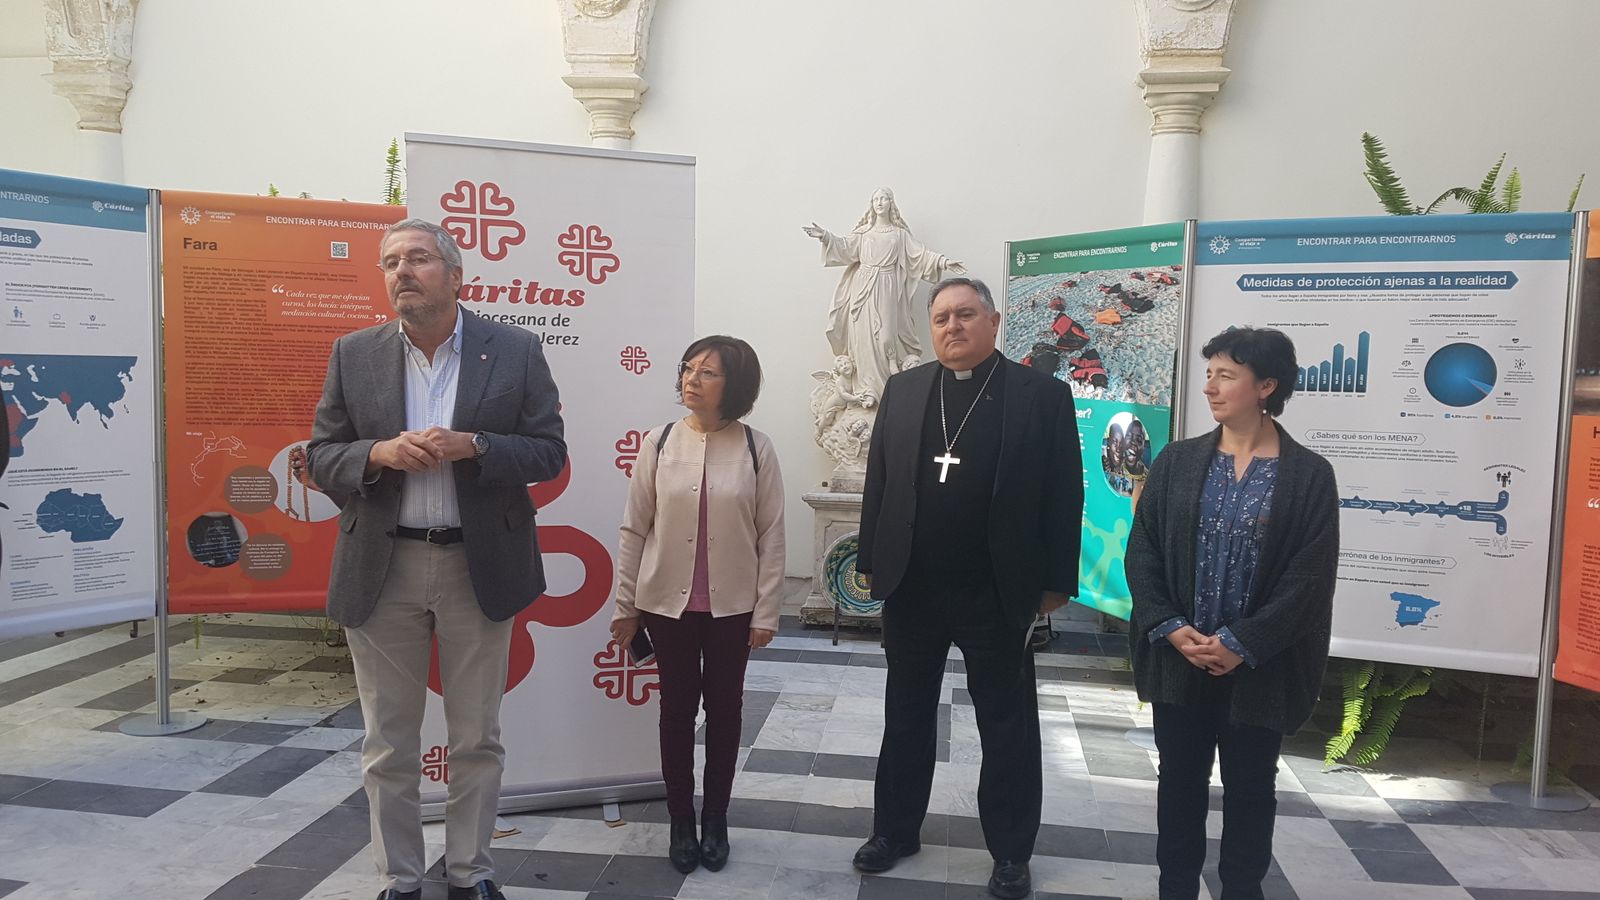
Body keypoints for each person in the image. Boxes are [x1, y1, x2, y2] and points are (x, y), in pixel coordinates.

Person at [307, 218, 566, 900]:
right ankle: (400, 879)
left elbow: (549, 452)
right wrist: (378, 453)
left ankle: (469, 873)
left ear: (454, 276)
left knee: (475, 736)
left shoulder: (514, 350)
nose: (402, 271)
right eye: (391, 261)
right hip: (382, 566)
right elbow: (322, 457)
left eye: (418, 258)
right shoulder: (353, 353)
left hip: (476, 566)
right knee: (388, 742)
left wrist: (475, 446)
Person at [852, 277, 1084, 900]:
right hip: (914, 586)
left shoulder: (1042, 394)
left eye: (965, 314)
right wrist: (870, 556)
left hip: (997, 590)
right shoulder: (904, 390)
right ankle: (894, 831)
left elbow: (1065, 492)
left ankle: (1010, 852)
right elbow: (880, 478)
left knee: (1007, 726)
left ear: (994, 320)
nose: (952, 326)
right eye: (941, 318)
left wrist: (1057, 580)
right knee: (905, 715)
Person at [1125, 327, 1339, 900]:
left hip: (1259, 668)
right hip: (1181, 660)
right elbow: (1142, 550)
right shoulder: (1177, 460)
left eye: (1226, 375)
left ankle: (1242, 891)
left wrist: (1242, 643)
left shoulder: (1309, 475)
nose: (1210, 387)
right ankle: (1175, 890)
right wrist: (1171, 628)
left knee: (1250, 792)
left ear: (1266, 386)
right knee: (1178, 787)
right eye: (1210, 374)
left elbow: (1309, 578)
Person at [610, 336, 785, 875]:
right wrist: (625, 604)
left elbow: (772, 535)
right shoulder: (659, 442)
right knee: (677, 711)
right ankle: (681, 820)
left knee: (726, 712)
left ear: (736, 384)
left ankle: (716, 818)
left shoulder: (756, 448)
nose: (692, 379)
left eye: (708, 372)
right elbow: (634, 528)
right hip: (666, 606)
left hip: (733, 608)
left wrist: (767, 612)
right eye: (688, 368)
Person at [802, 188, 967, 405]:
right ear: (872, 204)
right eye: (876, 199)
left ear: (891, 203)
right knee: (862, 338)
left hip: (887, 287)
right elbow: (844, 247)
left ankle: (888, 390)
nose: (880, 202)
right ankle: (865, 390)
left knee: (886, 336)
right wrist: (825, 236)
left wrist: (944, 262)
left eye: (884, 199)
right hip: (862, 288)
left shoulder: (899, 234)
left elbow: (920, 254)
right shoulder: (863, 233)